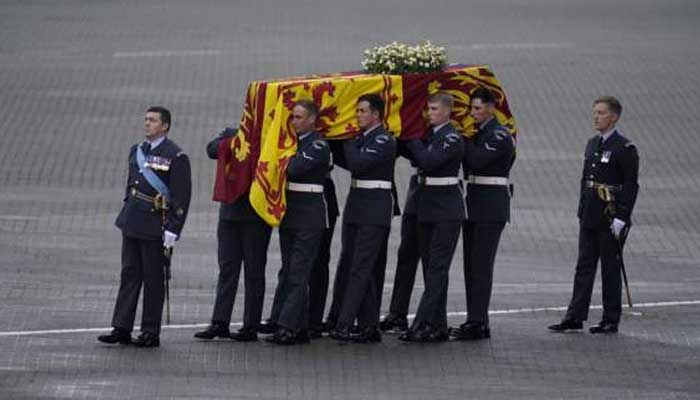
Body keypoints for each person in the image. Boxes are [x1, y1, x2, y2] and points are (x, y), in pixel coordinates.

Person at [98, 106, 192, 348]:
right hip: (132, 221)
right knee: (129, 275)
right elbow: (131, 184)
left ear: (165, 126)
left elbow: (182, 196)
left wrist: (174, 229)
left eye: (152, 120)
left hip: (154, 224)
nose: (147, 124)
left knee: (153, 279)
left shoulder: (176, 156)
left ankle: (150, 331)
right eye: (146, 120)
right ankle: (121, 327)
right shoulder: (137, 150)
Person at [549, 96, 639, 334]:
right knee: (584, 266)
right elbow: (586, 180)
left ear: (614, 116)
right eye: (595, 112)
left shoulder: (625, 148)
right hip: (590, 214)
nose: (596, 117)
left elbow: (630, 185)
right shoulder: (592, 143)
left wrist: (622, 216)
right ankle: (575, 316)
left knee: (610, 268)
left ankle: (611, 318)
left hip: (611, 217)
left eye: (601, 113)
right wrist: (581, 209)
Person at [193, 126, 272, 342]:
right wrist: (234, 140)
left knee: (254, 273)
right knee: (227, 270)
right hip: (229, 213)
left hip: (256, 215)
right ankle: (220, 322)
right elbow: (211, 150)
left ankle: (250, 325)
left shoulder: (269, 135)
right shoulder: (233, 132)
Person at [328, 93, 397, 343]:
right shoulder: (363, 139)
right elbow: (347, 161)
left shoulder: (384, 140)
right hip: (357, 206)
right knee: (355, 265)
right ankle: (369, 326)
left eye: (362, 111)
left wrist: (345, 139)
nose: (357, 115)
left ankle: (344, 324)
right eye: (356, 111)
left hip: (375, 209)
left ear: (376, 114)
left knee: (360, 267)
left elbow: (357, 163)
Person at [397, 92, 465, 342]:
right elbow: (414, 154)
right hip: (427, 207)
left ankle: (423, 324)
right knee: (431, 269)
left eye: (435, 109)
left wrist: (413, 137)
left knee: (437, 268)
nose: (430, 113)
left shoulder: (451, 138)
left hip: (446, 210)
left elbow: (428, 160)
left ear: (448, 111)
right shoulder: (432, 135)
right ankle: (437, 324)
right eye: (428, 109)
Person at [262, 100, 331, 345]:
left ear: (312, 119)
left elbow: (294, 168)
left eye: (299, 117)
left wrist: (279, 157)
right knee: (288, 269)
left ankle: (288, 327)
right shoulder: (293, 143)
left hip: (309, 216)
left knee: (299, 272)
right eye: (292, 117)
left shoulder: (318, 145)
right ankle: (294, 323)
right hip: (290, 213)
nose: (294, 121)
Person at [451, 88, 516, 341]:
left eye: (478, 108)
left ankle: (478, 321)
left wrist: (462, 140)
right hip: (475, 205)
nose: (473, 113)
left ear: (491, 108)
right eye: (472, 108)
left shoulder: (499, 135)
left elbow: (476, 161)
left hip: (490, 207)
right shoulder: (479, 133)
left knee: (481, 265)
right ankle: (477, 319)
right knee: (471, 265)